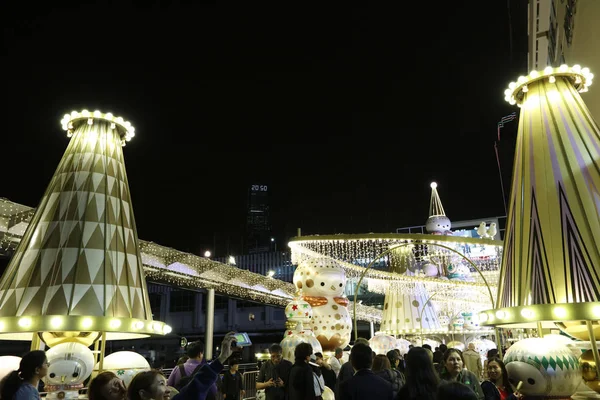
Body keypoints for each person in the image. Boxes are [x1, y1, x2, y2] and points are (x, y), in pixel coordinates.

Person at [127, 332, 237, 400]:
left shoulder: (177, 369)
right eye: (161, 384)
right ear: (143, 394)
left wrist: (222, 357)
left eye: (166, 384)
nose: (169, 389)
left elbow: (196, 387)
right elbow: (199, 386)